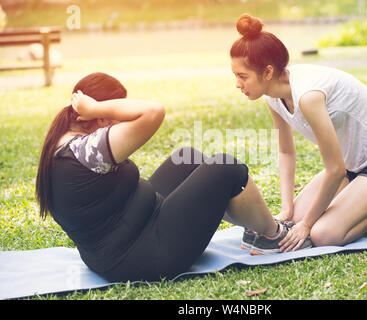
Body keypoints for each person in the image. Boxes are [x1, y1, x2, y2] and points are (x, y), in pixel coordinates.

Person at [35, 72, 311, 283]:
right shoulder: (87, 149)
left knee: (186, 156)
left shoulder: (63, 141)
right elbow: (153, 111)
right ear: (101, 119)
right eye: (114, 113)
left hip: (131, 232)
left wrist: (96, 110)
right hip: (141, 256)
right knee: (227, 167)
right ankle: (272, 235)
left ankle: (253, 226)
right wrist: (97, 108)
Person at [230, 14, 367, 252]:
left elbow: (334, 170)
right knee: (292, 221)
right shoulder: (273, 98)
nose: (237, 84)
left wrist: (306, 224)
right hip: (352, 165)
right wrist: (288, 210)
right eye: (235, 75)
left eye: (243, 76)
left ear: (268, 72)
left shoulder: (308, 96)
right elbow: (286, 152)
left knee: (323, 234)